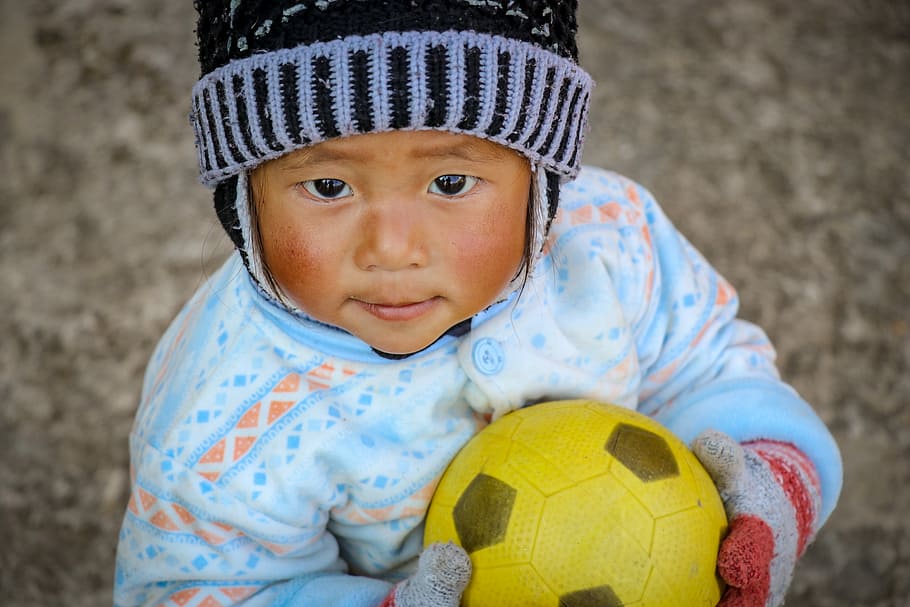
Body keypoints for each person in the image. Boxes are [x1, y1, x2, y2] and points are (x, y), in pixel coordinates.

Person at [114, 2, 842, 606]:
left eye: (452, 183)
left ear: (540, 179)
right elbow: (196, 587)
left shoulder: (608, 239)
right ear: (241, 202)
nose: (393, 248)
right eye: (330, 187)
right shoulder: (219, 432)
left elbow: (708, 364)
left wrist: (767, 484)